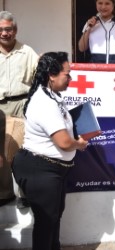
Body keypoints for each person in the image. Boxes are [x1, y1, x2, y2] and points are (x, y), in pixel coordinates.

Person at [11, 52, 88, 250]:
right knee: (46, 223)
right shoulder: (44, 102)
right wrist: (79, 144)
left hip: (54, 169)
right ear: (52, 75)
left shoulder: (52, 96)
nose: (71, 79)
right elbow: (63, 142)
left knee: (53, 218)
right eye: (67, 74)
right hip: (40, 168)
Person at [0, 10, 39, 208]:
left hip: (21, 104)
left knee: (24, 151)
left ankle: (26, 194)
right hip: (0, 107)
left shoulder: (27, 51)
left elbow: (39, 77)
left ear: (15, 30)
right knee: (1, 152)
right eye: (1, 30)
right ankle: (4, 193)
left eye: (8, 29)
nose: (4, 33)